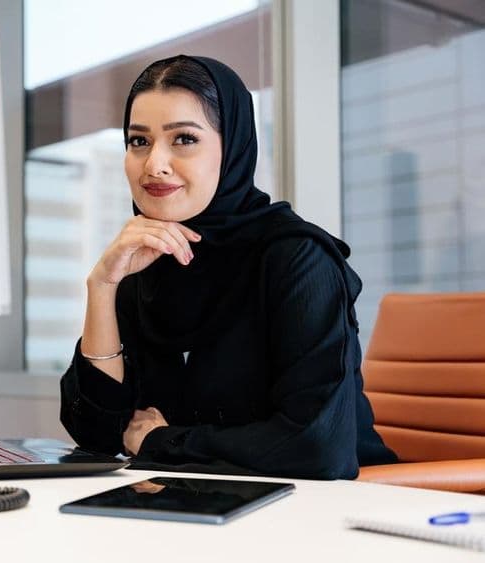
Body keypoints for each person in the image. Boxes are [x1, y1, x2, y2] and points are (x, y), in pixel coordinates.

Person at [59, 55, 397, 479]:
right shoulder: (145, 263)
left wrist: (162, 441)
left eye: (183, 139)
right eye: (138, 141)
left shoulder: (296, 258)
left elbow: (317, 448)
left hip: (329, 515)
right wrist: (103, 286)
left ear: (232, 146)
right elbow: (98, 434)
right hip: (199, 505)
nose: (154, 164)